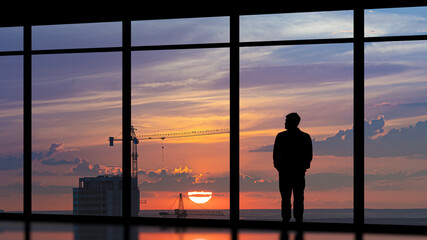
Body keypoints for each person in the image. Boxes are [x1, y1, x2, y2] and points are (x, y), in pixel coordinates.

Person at [273, 112, 312, 224]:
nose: (285, 123)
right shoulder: (304, 137)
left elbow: (308, 156)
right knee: (296, 197)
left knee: (291, 197)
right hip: (294, 172)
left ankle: (290, 219)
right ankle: (295, 219)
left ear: (293, 122)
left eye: (286, 121)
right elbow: (308, 156)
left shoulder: (282, 137)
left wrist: (280, 166)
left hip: (291, 172)